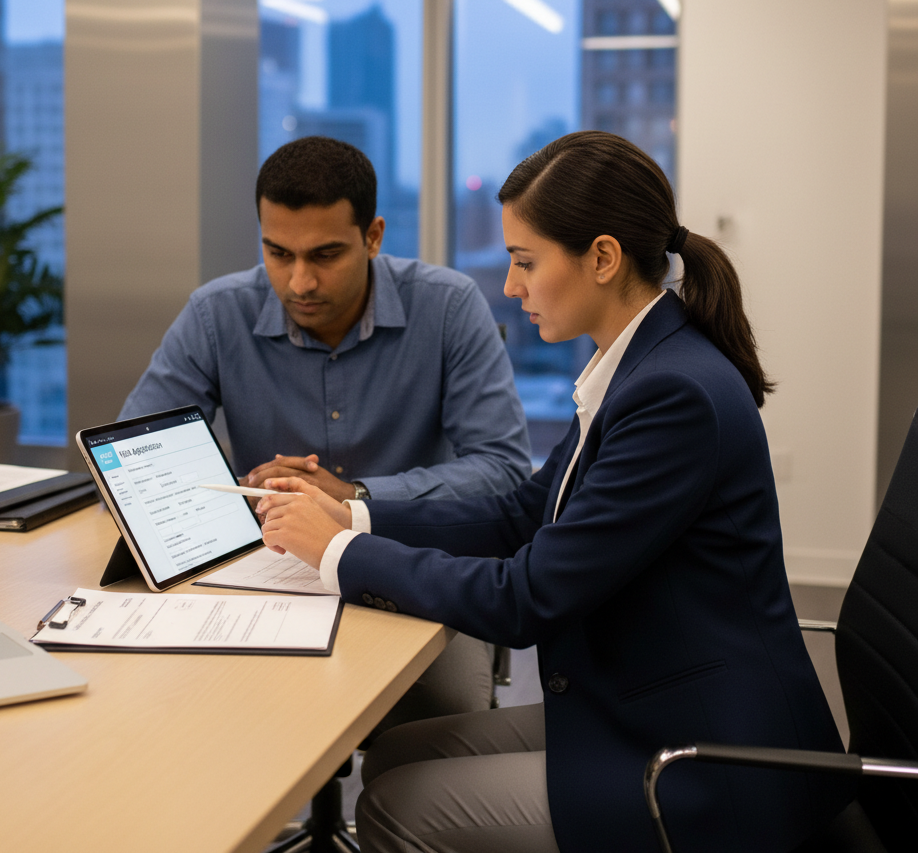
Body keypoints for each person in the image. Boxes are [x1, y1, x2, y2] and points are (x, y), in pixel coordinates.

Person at [255, 131, 852, 853]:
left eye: (525, 262)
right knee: (398, 753)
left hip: (709, 757)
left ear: (601, 258)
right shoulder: (636, 362)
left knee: (395, 804)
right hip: (653, 697)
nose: (510, 287)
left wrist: (343, 554)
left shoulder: (671, 394)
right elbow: (524, 514)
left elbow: (526, 599)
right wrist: (355, 512)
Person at [121, 135, 532, 727]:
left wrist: (352, 496)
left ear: (373, 237)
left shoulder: (447, 307)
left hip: (413, 574)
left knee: (445, 714)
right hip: (261, 578)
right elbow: (141, 457)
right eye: (278, 253)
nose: (299, 282)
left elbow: (505, 471)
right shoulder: (217, 313)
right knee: (186, 704)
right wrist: (244, 497)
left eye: (325, 255)